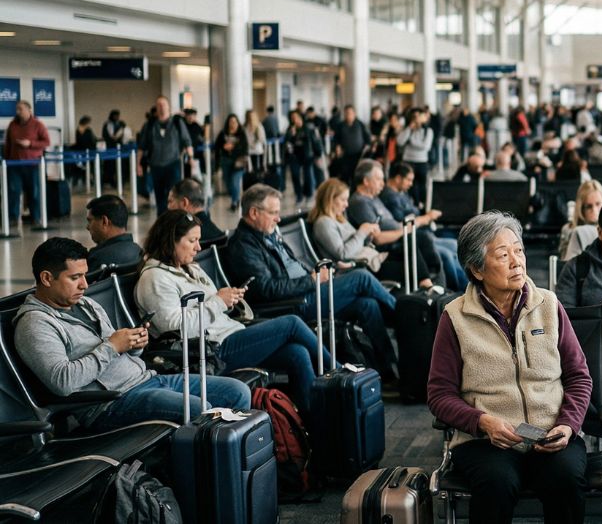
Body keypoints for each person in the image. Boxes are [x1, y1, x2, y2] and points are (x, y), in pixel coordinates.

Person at [426, 212, 592, 524]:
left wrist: (568, 425)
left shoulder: (548, 305)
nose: (516, 261)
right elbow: (439, 395)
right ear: (477, 269)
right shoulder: (455, 318)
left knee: (566, 479)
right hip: (485, 442)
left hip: (549, 433)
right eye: (503, 254)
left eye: (518, 250)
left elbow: (579, 376)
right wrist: (483, 422)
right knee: (497, 483)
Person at [14, 238, 250, 432]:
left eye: (85, 276)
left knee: (237, 393)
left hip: (147, 379)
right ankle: (207, 483)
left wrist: (133, 344)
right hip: (111, 403)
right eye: (75, 278)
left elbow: (116, 348)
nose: (85, 285)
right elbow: (62, 381)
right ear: (46, 278)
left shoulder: (85, 305)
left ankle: (236, 472)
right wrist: (113, 347)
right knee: (200, 409)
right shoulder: (35, 324)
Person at [135, 210, 330, 412]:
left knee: (297, 353)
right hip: (210, 352)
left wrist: (226, 298)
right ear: (170, 241)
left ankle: (313, 424)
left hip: (229, 334)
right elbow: (176, 329)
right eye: (192, 240)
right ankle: (337, 371)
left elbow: (210, 305)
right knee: (291, 323)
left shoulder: (190, 268)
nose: (198, 247)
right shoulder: (154, 279)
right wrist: (218, 301)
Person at [225, 184, 398, 380]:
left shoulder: (268, 235)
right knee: (361, 277)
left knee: (367, 304)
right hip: (296, 302)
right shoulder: (243, 246)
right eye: (273, 213)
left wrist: (317, 275)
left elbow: (292, 268)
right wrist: (312, 280)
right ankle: (403, 316)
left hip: (308, 290)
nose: (278, 218)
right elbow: (266, 289)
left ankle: (388, 369)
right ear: (254, 212)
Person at [311, 177, 437, 292]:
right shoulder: (323, 223)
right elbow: (343, 254)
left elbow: (357, 243)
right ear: (330, 199)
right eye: (343, 200)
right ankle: (429, 287)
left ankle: (429, 283)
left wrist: (368, 235)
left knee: (413, 241)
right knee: (412, 263)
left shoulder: (339, 219)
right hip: (365, 266)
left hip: (374, 258)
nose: (346, 204)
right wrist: (362, 232)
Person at [348, 160, 446, 287]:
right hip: (385, 247)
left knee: (424, 239)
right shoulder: (359, 202)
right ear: (366, 181)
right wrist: (405, 231)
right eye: (378, 179)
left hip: (399, 238)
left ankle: (437, 285)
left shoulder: (375, 198)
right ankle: (427, 285)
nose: (383, 184)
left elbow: (394, 224)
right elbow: (377, 239)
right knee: (413, 238)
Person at [379, 163, 466, 293]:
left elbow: (413, 214)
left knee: (454, 245)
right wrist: (425, 217)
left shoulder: (402, 193)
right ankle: (458, 290)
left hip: (423, 233)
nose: (411, 184)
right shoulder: (389, 197)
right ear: (398, 178)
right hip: (412, 237)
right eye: (408, 180)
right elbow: (404, 220)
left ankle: (467, 286)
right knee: (447, 254)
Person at [136, 96, 193, 213]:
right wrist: (138, 164)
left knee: (174, 194)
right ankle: (162, 220)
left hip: (173, 164)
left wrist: (191, 158)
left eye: (164, 104)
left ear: (168, 107)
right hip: (155, 165)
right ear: (156, 108)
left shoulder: (177, 122)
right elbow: (142, 146)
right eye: (159, 105)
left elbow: (187, 141)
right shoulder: (150, 125)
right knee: (159, 196)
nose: (161, 107)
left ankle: (174, 219)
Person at [4, 100, 50, 224]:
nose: (18, 112)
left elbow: (46, 142)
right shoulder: (12, 125)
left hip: (33, 165)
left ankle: (36, 217)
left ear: (29, 110)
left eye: (21, 109)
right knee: (13, 192)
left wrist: (30, 144)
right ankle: (12, 218)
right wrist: (6, 161)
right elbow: (8, 144)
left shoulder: (38, 124)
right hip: (14, 165)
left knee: (34, 192)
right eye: (17, 109)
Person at [85, 194, 142, 272]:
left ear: (105, 221)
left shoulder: (98, 258)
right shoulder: (138, 252)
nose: (87, 227)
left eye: (90, 221)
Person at [396, 108, 435, 207]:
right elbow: (400, 141)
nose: (416, 119)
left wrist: (411, 142)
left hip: (422, 161)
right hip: (408, 161)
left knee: (422, 186)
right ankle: (413, 204)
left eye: (418, 116)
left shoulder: (428, 131)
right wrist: (409, 129)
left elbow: (426, 146)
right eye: (414, 117)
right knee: (409, 185)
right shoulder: (407, 129)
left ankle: (424, 205)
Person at [284, 109, 323, 205]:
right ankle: (299, 195)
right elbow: (286, 143)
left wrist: (318, 154)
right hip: (294, 156)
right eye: (292, 118)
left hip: (307, 155)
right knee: (295, 175)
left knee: (308, 176)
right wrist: (291, 135)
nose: (294, 120)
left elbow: (315, 141)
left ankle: (309, 194)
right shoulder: (290, 129)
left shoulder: (308, 128)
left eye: (296, 117)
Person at [168, 177, 224, 242]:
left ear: (184, 203)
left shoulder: (182, 236)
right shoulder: (218, 234)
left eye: (170, 201)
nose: (168, 207)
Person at [214, 114, 249, 211]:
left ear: (238, 123)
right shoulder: (223, 134)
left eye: (235, 121)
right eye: (231, 121)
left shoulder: (241, 134)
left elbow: (245, 148)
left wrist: (233, 148)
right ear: (228, 123)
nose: (233, 123)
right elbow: (217, 147)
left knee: (235, 182)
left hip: (238, 162)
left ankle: (235, 202)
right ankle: (235, 198)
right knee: (228, 183)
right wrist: (224, 148)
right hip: (226, 162)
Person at [332, 105, 370, 182]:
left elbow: (367, 138)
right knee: (345, 176)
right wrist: (337, 147)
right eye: (346, 113)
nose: (348, 115)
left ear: (354, 114)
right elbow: (336, 139)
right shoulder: (340, 125)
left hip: (358, 156)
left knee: (356, 176)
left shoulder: (360, 124)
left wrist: (367, 147)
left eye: (349, 113)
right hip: (345, 156)